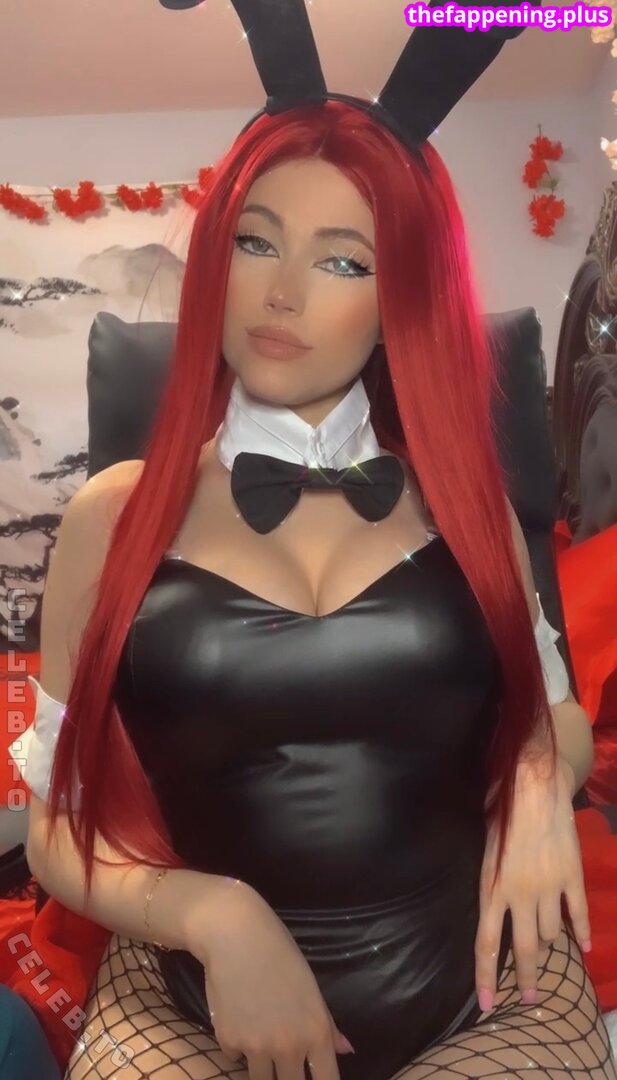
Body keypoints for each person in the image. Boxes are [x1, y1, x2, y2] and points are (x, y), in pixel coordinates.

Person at [7, 3, 617, 1078]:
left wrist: (533, 778)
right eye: (255, 242)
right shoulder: (112, 515)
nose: (281, 292)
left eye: (343, 262)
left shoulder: (467, 501)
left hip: (482, 982)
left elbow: (557, 715)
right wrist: (213, 916)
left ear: (401, 297)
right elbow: (57, 824)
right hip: (191, 990)